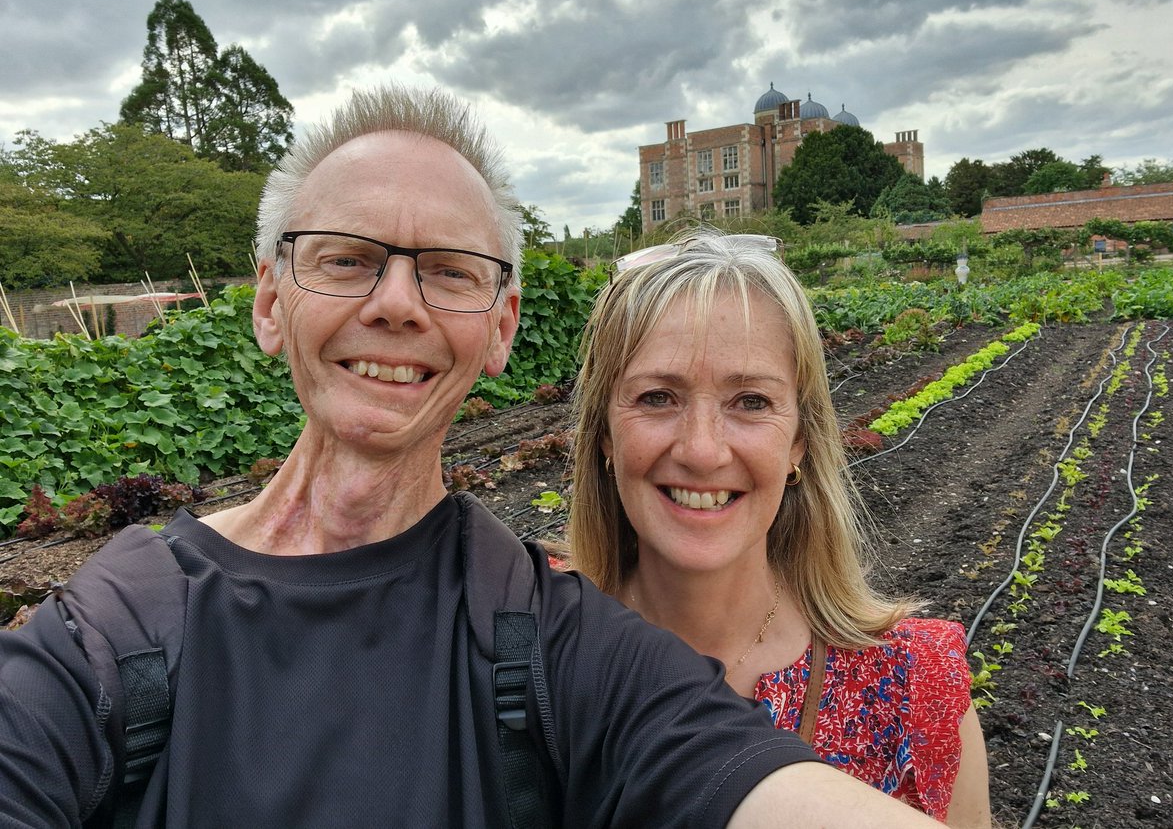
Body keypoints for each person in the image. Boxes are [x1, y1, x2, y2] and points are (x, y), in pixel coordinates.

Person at [0, 85, 947, 828]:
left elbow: (730, 768)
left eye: (449, 270)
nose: (396, 304)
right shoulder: (119, 625)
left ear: (500, 328)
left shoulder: (551, 637)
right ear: (269, 302)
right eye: (344, 257)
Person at [568, 229, 992, 828]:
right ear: (605, 437)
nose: (703, 451)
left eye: (751, 402)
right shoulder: (533, 653)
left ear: (798, 442)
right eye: (658, 397)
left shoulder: (915, 689)